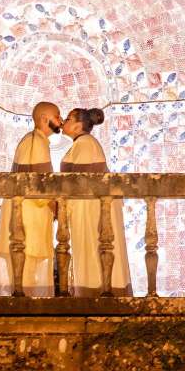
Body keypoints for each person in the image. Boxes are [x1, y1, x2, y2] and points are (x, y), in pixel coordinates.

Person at [60, 108, 131, 296]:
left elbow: (79, 184)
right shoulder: (83, 144)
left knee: (92, 252)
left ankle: (94, 294)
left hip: (90, 210)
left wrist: (62, 206)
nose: (63, 122)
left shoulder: (85, 144)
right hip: (87, 209)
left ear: (77, 125)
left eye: (67, 119)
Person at [0, 102, 61, 296]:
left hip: (25, 220)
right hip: (29, 222)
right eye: (57, 116)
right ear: (43, 119)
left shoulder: (31, 140)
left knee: (25, 278)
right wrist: (56, 206)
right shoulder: (36, 142)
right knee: (26, 280)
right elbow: (38, 186)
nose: (60, 120)